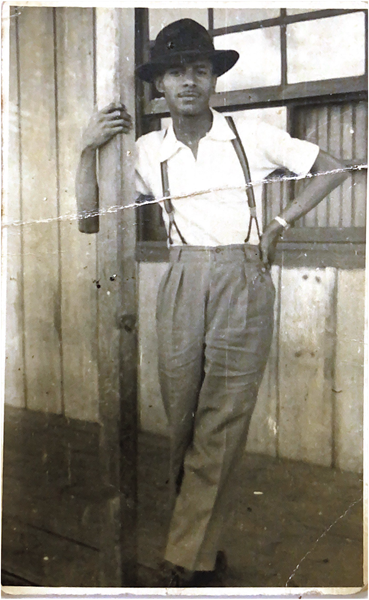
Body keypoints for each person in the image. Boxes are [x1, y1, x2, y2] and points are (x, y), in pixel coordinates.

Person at [76, 18, 348, 587]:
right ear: (161, 87)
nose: (189, 82)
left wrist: (279, 223)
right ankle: (200, 546)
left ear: (214, 79)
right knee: (184, 423)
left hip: (242, 279)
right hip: (181, 281)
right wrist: (85, 151)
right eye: (176, 72)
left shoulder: (254, 136)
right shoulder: (147, 150)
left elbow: (334, 170)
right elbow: (88, 220)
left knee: (221, 423)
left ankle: (182, 557)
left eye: (199, 69)